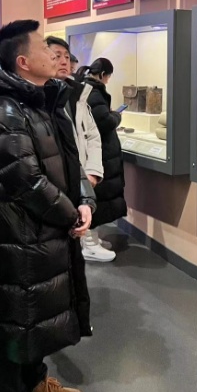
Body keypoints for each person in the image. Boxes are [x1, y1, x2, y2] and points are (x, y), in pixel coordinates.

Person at [0, 20, 96, 392]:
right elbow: (26, 181)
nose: (55, 54)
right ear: (23, 61)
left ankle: (35, 384)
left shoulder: (46, 101)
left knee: (38, 313)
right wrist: (70, 213)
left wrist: (84, 202)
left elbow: (72, 161)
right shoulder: (5, 110)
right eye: (44, 48)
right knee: (14, 320)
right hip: (17, 236)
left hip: (46, 231)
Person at [46, 37, 112, 262]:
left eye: (66, 56)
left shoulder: (78, 95)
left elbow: (92, 135)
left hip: (81, 173)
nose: (64, 61)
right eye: (57, 56)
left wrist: (92, 171)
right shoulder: (41, 98)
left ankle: (88, 245)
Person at [77, 58, 127, 258]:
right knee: (97, 197)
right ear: (103, 74)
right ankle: (90, 243)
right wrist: (117, 116)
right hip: (99, 154)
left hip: (99, 152)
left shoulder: (86, 89)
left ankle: (92, 240)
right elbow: (103, 122)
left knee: (97, 197)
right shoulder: (93, 92)